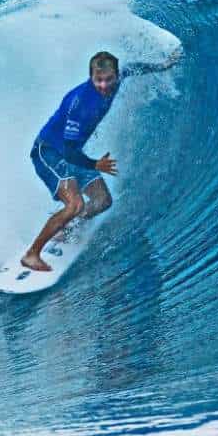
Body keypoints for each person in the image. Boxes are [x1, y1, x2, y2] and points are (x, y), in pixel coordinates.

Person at [22, 47, 179, 271]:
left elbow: (133, 68)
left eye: (108, 79)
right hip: (48, 152)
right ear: (90, 77)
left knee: (102, 201)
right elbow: (67, 152)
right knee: (76, 204)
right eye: (98, 80)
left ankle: (65, 226)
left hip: (72, 155)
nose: (104, 85)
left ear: (116, 75)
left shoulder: (119, 77)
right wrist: (96, 165)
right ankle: (32, 254)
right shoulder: (80, 103)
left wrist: (164, 65)